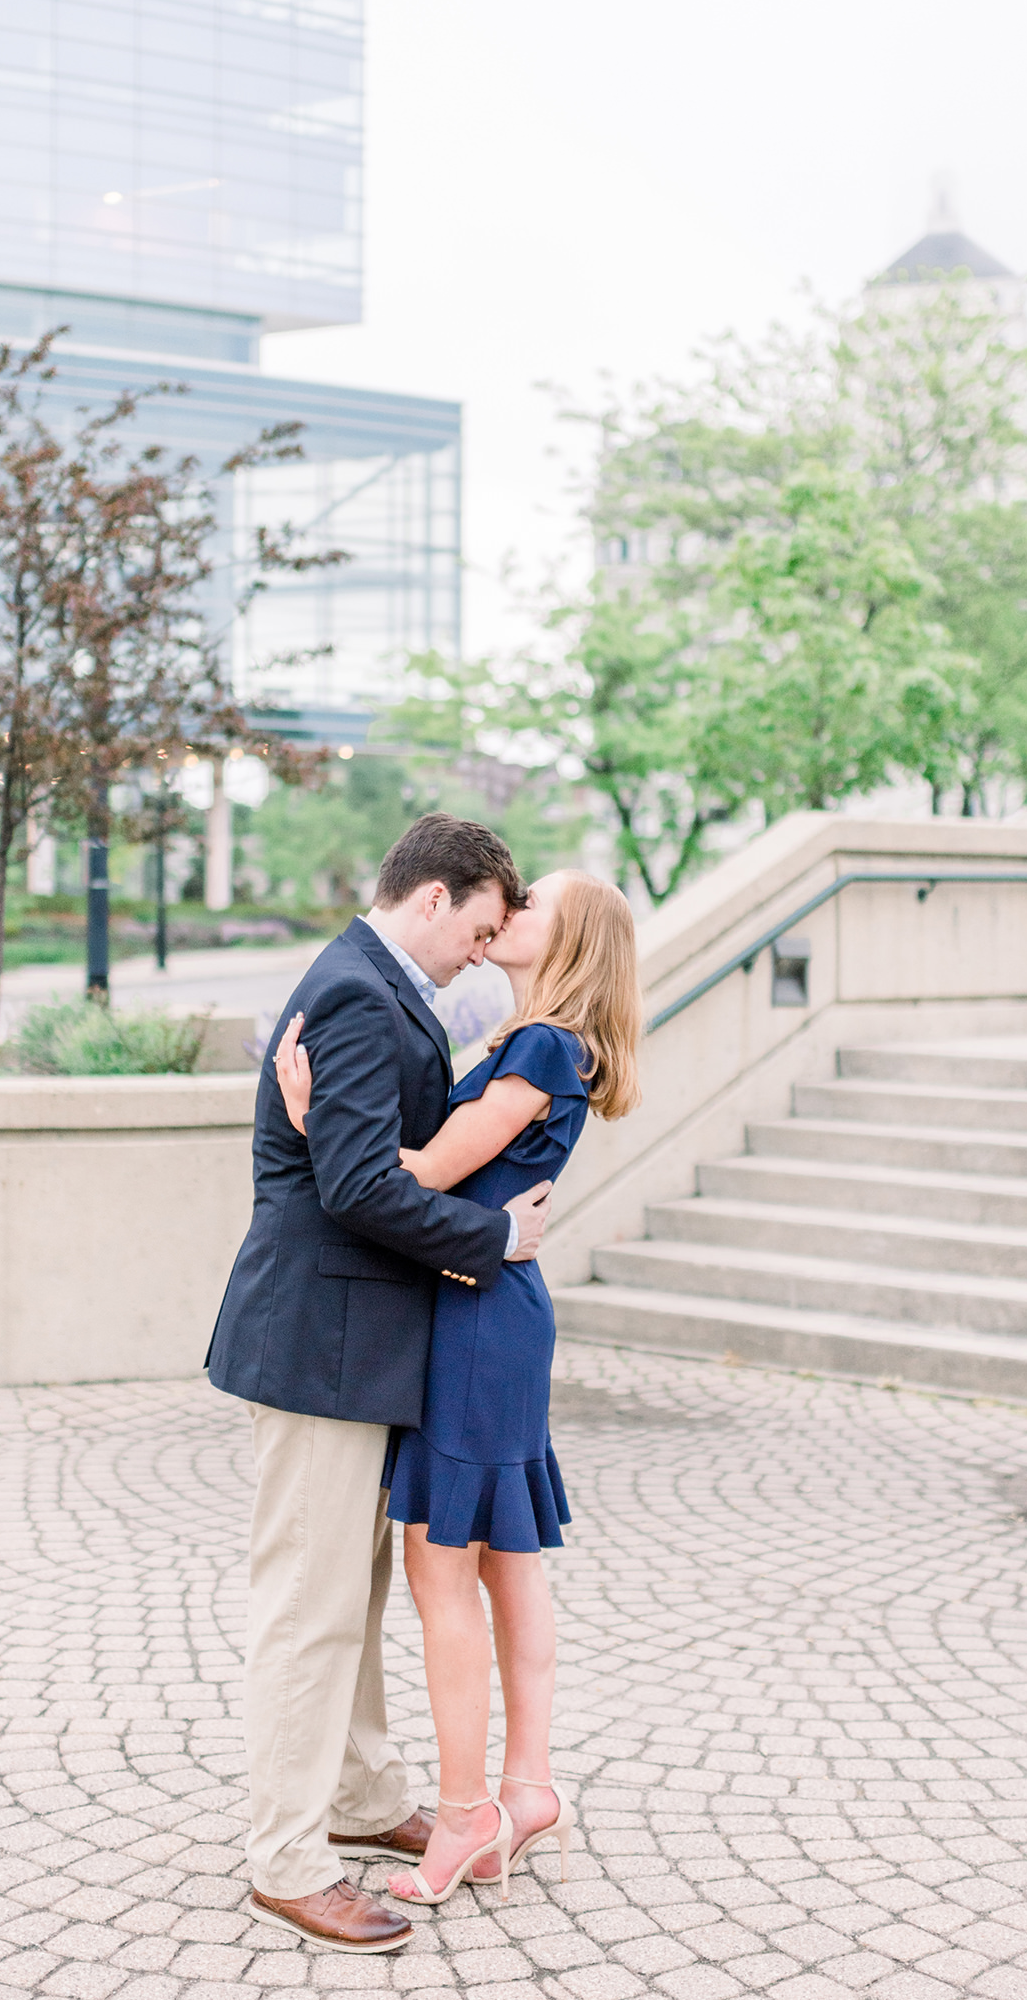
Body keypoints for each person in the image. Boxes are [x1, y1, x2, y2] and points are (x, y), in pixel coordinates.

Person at [205, 814, 555, 1954]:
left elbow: (360, 1156)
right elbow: (357, 1185)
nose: (480, 952)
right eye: (483, 929)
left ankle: (358, 1799)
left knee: (346, 1597)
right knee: (308, 1614)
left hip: (353, 1346)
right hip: (321, 1345)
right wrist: (493, 1237)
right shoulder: (361, 990)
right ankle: (288, 1859)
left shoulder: (374, 985)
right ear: (436, 900)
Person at [275, 869, 642, 1907]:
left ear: (569, 938)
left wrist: (318, 1130)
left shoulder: (536, 1045)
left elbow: (426, 1173)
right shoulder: (552, 1043)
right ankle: (524, 1791)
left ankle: (473, 1810)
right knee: (508, 1566)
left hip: (480, 1324)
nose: (508, 912)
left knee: (444, 1578)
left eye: (531, 905)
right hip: (495, 1314)